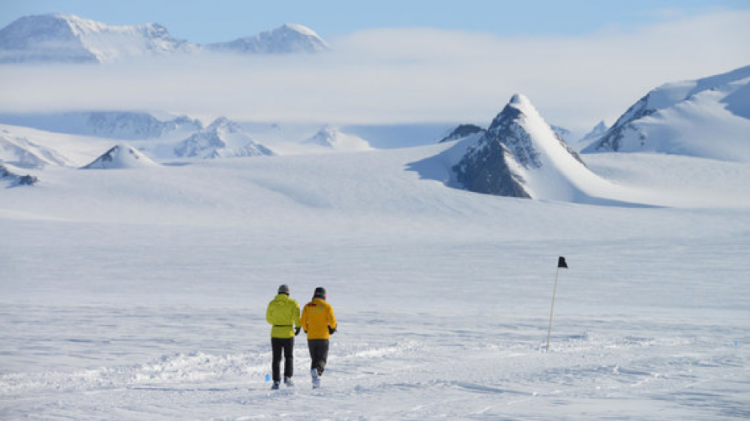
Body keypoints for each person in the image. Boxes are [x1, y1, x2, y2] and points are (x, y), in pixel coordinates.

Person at [266, 284, 301, 390]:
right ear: (288, 293)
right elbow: (296, 317)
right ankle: (287, 377)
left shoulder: (272, 303)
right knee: (288, 356)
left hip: (275, 333)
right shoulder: (292, 303)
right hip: (288, 333)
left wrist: (277, 322)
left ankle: (276, 381)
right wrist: (298, 327)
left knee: (276, 358)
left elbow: (268, 319)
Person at [300, 286, 337, 388]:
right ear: (324, 296)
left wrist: (306, 329)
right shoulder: (327, 306)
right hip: (323, 336)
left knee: (314, 359)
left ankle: (315, 382)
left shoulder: (308, 306)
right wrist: (332, 328)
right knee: (322, 359)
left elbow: (302, 321)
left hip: (311, 337)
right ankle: (317, 373)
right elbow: (332, 321)